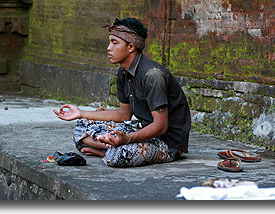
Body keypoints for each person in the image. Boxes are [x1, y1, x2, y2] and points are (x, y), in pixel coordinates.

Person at [53, 17, 191, 167]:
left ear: (131, 47)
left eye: (114, 42)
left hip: (167, 143)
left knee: (120, 155)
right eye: (109, 42)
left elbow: (161, 126)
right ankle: (111, 147)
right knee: (81, 128)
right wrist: (81, 113)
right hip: (142, 129)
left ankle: (106, 152)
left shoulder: (152, 75)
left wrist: (127, 139)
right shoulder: (123, 72)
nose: (108, 48)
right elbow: (123, 114)